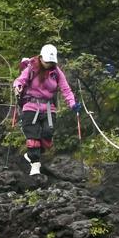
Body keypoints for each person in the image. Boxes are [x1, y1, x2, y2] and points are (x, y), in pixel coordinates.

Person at [12, 44, 80, 176]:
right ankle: (35, 166)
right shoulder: (31, 68)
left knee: (47, 136)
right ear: (41, 58)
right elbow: (20, 80)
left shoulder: (56, 72)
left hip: (49, 108)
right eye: (47, 61)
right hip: (31, 106)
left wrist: (72, 104)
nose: (49, 64)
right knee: (33, 137)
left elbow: (66, 89)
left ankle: (31, 155)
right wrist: (18, 87)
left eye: (51, 62)